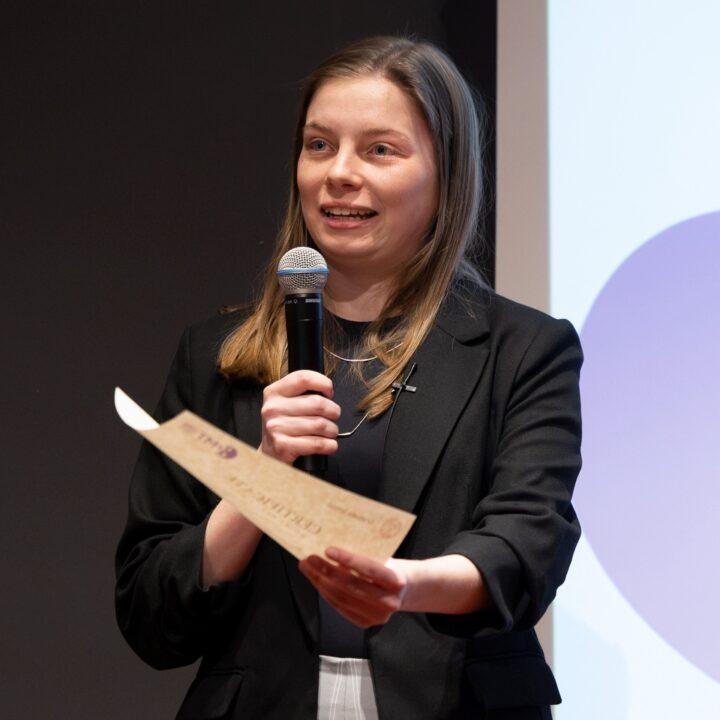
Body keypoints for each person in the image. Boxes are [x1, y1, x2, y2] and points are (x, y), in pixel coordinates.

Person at [115, 36, 583, 720]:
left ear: (445, 174)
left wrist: (404, 585)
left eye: (379, 150)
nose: (339, 174)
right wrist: (261, 475)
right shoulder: (214, 353)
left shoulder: (524, 350)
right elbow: (149, 610)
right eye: (318, 145)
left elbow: (526, 545)